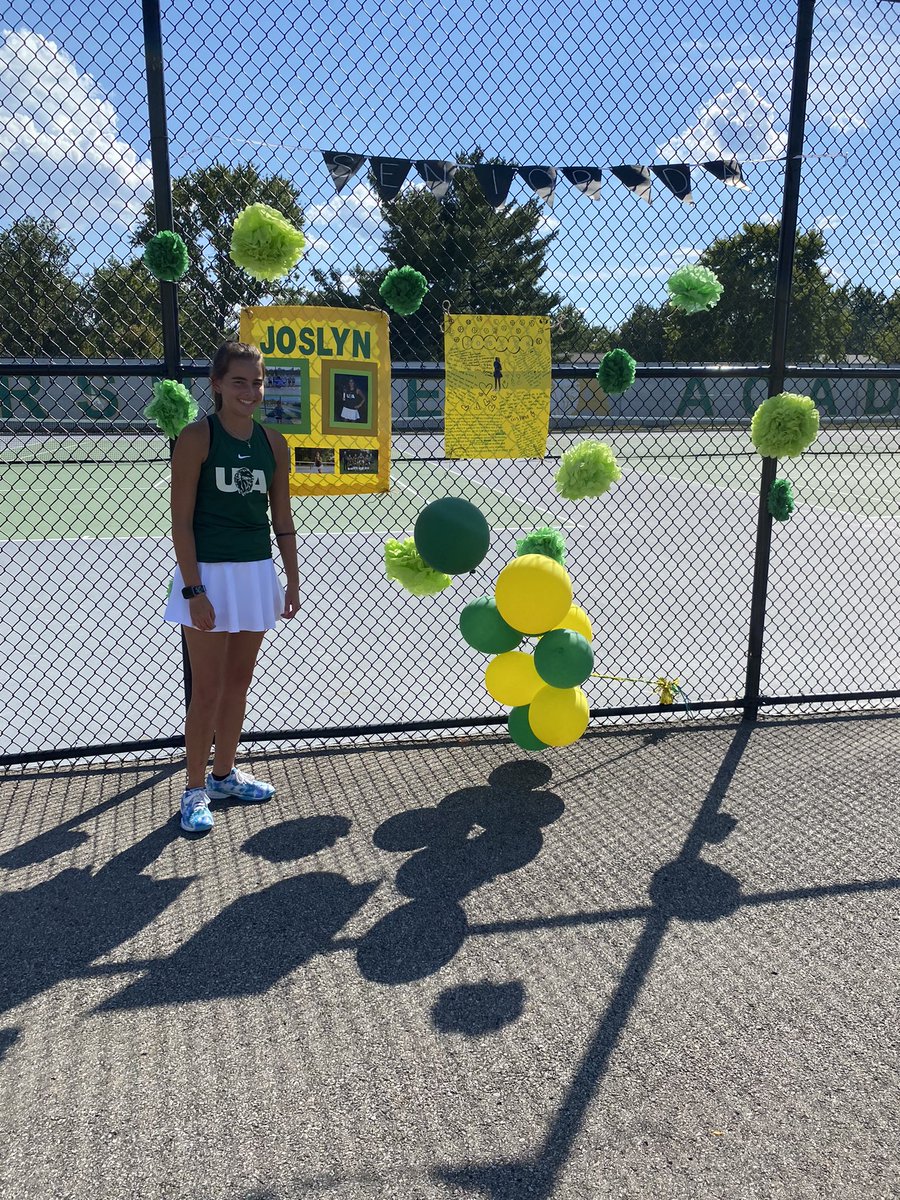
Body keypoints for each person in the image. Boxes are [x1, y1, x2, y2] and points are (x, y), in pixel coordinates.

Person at [164, 342, 300, 834]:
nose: (250, 391)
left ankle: (224, 776)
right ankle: (194, 789)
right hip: (209, 575)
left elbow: (281, 519)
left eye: (257, 382)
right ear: (217, 385)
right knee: (207, 690)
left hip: (255, 573)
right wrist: (194, 590)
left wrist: (290, 580)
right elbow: (181, 523)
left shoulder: (274, 443)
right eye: (239, 381)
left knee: (238, 685)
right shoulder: (197, 437)